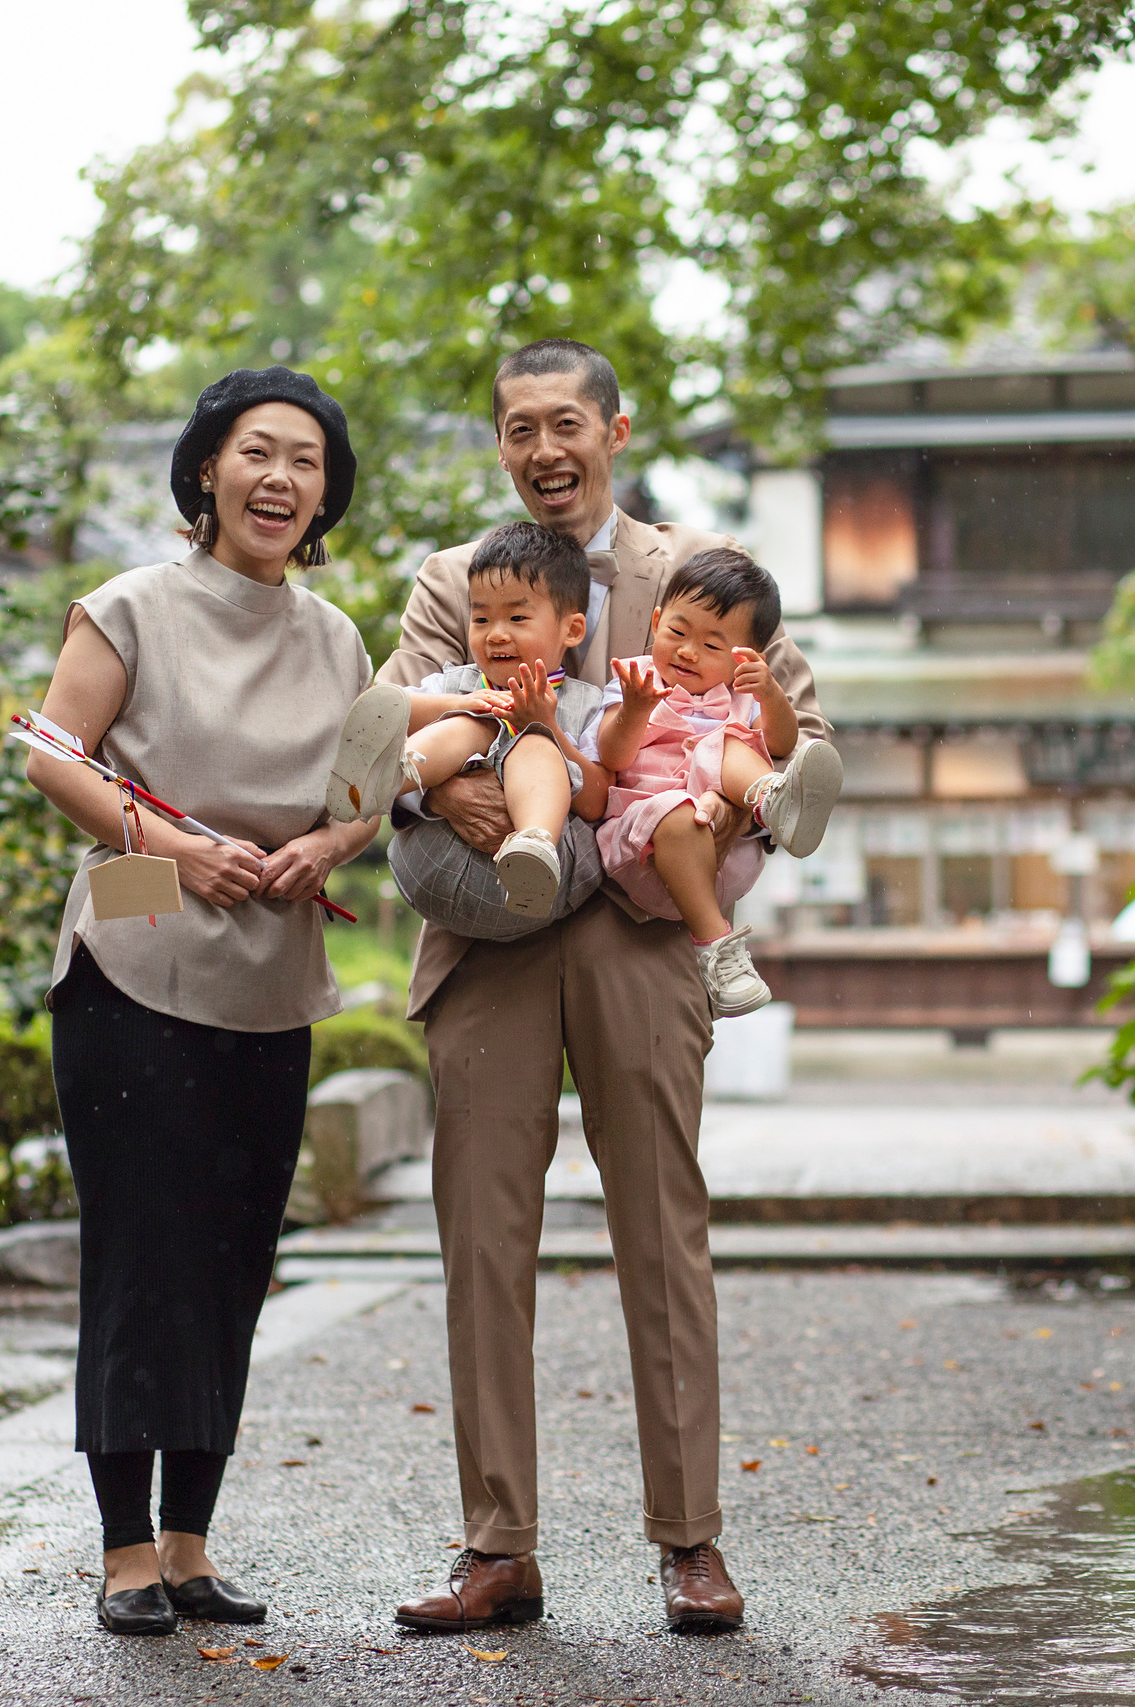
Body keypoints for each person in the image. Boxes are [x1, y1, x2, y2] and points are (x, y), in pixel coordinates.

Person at [376, 339, 827, 1636]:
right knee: (481, 1245)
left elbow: (798, 731)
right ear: (501, 444)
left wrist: (724, 812)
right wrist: (449, 784)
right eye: (517, 427)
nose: (542, 448)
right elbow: (405, 733)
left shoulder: (693, 571)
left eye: (565, 421)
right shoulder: (453, 578)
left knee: (663, 1234)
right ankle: (495, 1545)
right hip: (490, 938)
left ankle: (691, 1538)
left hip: (640, 935)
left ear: (616, 432)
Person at [23, 367, 377, 1637]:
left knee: (233, 1259)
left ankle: (189, 1546)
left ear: (325, 495)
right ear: (207, 473)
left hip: (269, 961)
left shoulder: (338, 639)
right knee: (141, 1251)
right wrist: (173, 853)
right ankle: (123, 1552)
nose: (280, 479)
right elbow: (49, 755)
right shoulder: (128, 607)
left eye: (306, 462)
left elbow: (367, 796)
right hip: (131, 926)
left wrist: (328, 851)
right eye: (256, 453)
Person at [593, 547, 842, 1016]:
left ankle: (775, 802)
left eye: (712, 646)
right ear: (656, 620)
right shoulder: (635, 680)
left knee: (731, 743)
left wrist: (769, 693)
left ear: (744, 657)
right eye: (677, 632)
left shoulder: (739, 698)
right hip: (645, 854)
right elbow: (612, 755)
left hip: (729, 855)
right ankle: (718, 950)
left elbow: (783, 740)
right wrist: (635, 709)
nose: (688, 652)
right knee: (688, 794)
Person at [326, 521, 610, 925]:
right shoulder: (456, 682)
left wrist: (549, 728)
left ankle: (534, 842)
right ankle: (382, 778)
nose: (496, 635)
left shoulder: (587, 705)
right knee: (469, 720)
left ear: (572, 629)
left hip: (531, 890)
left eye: (516, 618)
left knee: (534, 743)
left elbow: (598, 801)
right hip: (431, 868)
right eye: (481, 620)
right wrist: (463, 704)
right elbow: (392, 705)